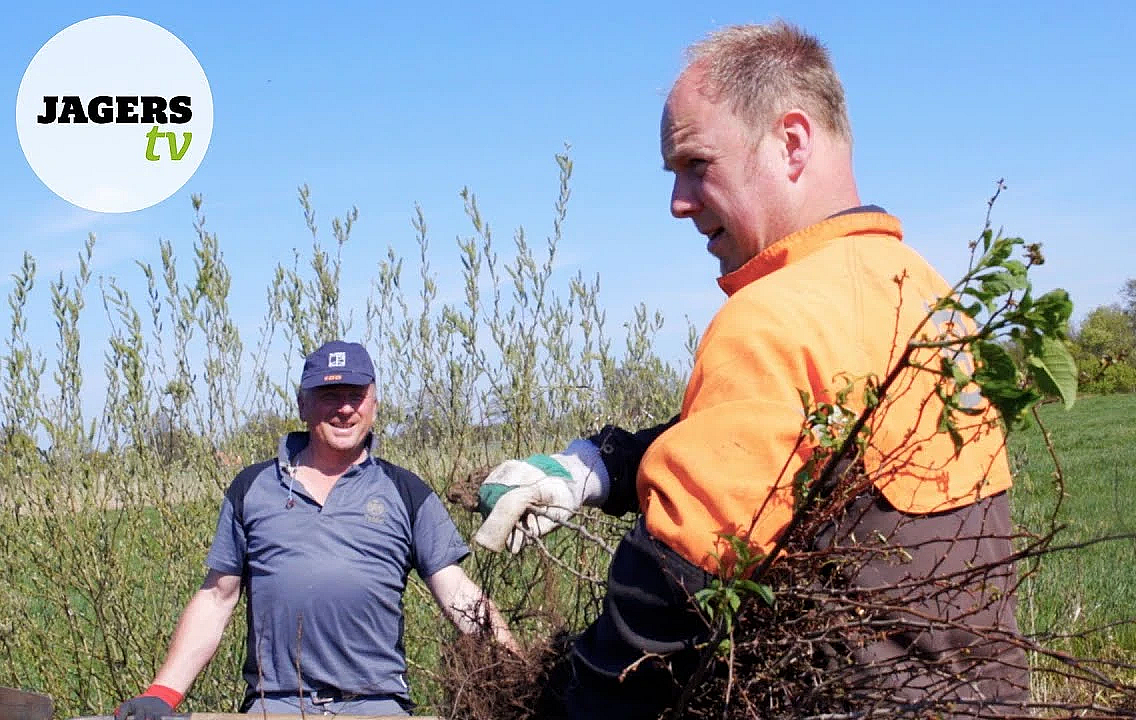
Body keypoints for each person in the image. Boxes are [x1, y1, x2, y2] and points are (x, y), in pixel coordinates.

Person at [475, 22, 1028, 719]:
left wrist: (572, 703)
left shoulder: (779, 315)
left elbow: (664, 599)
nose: (678, 201)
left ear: (791, 142)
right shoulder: (925, 296)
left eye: (696, 164)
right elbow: (798, 442)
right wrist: (598, 464)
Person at [115, 340, 518, 719]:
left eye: (355, 396)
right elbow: (217, 598)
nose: (344, 409)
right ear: (302, 405)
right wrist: (162, 694)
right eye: (329, 396)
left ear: (374, 405)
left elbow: (458, 592)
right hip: (276, 705)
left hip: (378, 706)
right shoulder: (252, 487)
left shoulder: (405, 491)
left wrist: (518, 674)